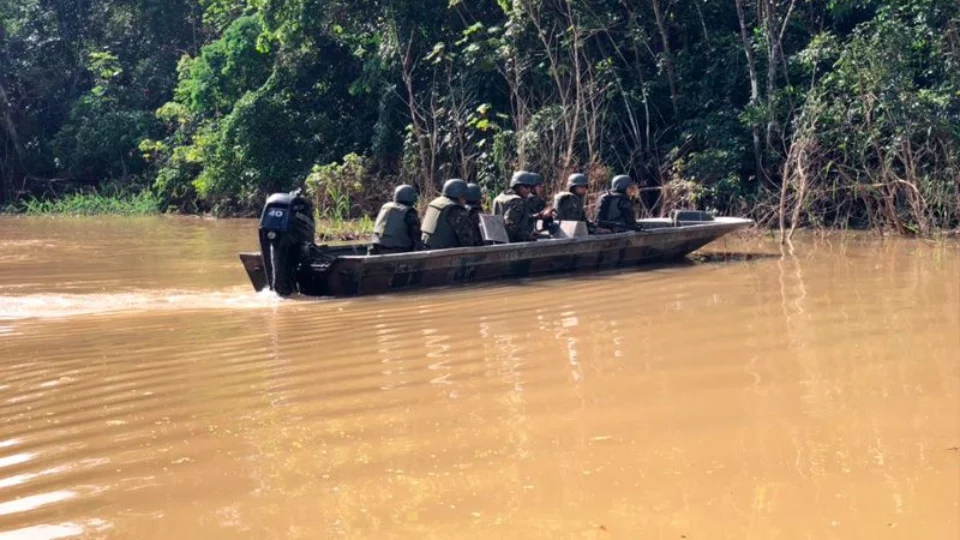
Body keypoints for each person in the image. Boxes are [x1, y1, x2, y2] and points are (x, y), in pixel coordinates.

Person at [421, 178, 475, 250]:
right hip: (446, 254)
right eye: (464, 196)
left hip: (426, 249)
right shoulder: (455, 209)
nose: (465, 201)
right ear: (460, 196)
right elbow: (468, 240)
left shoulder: (435, 203)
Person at [368, 184, 422, 255]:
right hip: (397, 250)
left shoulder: (385, 207)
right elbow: (416, 237)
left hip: (375, 249)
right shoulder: (409, 212)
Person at [493, 171, 539, 242]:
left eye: (530, 187)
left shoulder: (501, 197)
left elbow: (518, 218)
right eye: (526, 187)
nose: (528, 190)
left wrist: (536, 216)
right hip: (513, 244)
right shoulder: (517, 201)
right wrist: (528, 236)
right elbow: (511, 226)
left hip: (498, 241)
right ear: (516, 186)